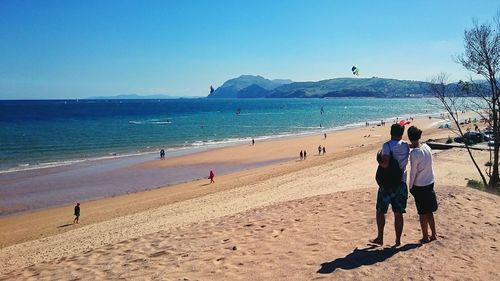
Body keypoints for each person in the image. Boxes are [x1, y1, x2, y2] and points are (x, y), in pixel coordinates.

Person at [371, 123, 410, 247]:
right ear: (401, 133)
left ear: (391, 132)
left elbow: (385, 164)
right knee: (398, 213)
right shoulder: (405, 146)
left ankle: (380, 237)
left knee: (380, 211)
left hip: (387, 184)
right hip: (401, 183)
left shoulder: (387, 145)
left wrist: (378, 158)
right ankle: (398, 241)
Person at [408, 126, 438, 243]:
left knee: (422, 213)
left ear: (410, 138)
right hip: (430, 181)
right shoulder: (427, 147)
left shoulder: (415, 154)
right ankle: (434, 234)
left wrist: (410, 186)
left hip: (420, 185)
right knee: (429, 211)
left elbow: (413, 172)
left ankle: (425, 236)